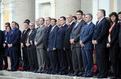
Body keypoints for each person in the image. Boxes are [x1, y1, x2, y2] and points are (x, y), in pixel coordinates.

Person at [92, 9, 110, 78]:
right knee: (98, 59)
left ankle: (104, 73)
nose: (97, 14)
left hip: (102, 43)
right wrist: (93, 40)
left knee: (103, 59)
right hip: (97, 44)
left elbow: (103, 33)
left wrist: (97, 40)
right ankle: (100, 73)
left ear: (102, 14)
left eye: (98, 13)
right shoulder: (98, 22)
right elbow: (95, 32)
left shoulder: (105, 21)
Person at [70, 10, 86, 76]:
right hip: (73, 44)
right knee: (74, 59)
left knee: (79, 58)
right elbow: (71, 32)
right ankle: (76, 71)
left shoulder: (83, 23)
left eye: (79, 14)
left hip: (78, 43)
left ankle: (81, 71)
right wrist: (71, 39)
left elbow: (81, 33)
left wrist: (74, 39)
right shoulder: (75, 23)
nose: (78, 16)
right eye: (77, 14)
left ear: (82, 15)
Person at [107, 12, 120, 79]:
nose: (112, 18)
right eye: (111, 17)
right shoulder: (111, 25)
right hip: (110, 45)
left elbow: (115, 36)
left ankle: (116, 75)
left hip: (114, 44)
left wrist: (110, 43)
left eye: (114, 16)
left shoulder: (117, 25)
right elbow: (109, 35)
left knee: (115, 60)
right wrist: (107, 42)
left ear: (116, 17)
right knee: (112, 60)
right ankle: (115, 74)